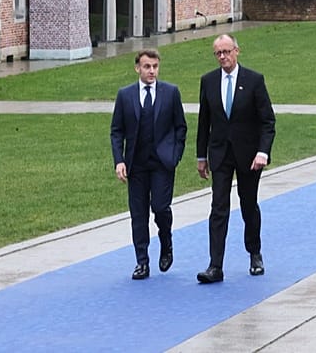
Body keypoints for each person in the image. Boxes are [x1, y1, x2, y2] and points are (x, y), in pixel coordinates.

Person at [195, 34, 276, 283]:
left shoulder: (254, 80)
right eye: (218, 53)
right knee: (218, 207)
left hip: (249, 156)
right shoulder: (208, 81)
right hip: (220, 154)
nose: (223, 57)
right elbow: (204, 121)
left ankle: (254, 253)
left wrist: (263, 152)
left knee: (248, 204)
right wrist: (201, 156)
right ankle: (215, 265)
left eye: (226, 52)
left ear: (236, 51)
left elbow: (268, 121)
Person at [111, 49, 187, 280]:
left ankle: (166, 241)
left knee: (161, 208)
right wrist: (119, 160)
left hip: (162, 163)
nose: (152, 71)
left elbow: (180, 127)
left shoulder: (170, 93)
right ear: (138, 68)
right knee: (138, 214)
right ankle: (142, 262)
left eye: (155, 66)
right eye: (147, 67)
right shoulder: (125, 95)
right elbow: (117, 131)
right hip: (136, 165)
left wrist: (175, 155)